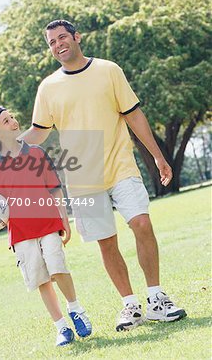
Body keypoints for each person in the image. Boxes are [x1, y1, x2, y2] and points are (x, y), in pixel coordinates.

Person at [19, 20, 187, 331]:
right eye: (51, 42)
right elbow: (39, 132)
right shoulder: (48, 88)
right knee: (106, 243)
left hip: (120, 165)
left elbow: (133, 114)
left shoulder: (109, 70)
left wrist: (158, 155)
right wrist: (10, 145)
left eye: (62, 38)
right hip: (82, 179)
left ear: (76, 37)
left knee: (141, 223)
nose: (58, 45)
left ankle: (156, 298)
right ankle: (131, 306)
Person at [0, 106, 92, 346]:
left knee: (57, 267)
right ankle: (62, 327)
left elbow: (54, 187)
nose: (13, 121)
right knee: (41, 279)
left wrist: (63, 216)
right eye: (6, 121)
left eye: (12, 117)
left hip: (47, 223)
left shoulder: (36, 153)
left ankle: (76, 309)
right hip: (21, 233)